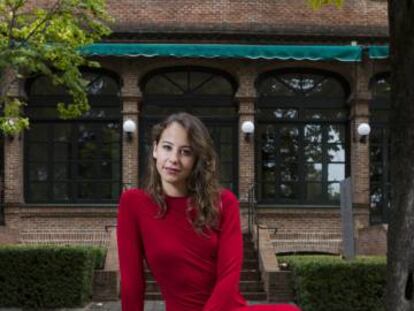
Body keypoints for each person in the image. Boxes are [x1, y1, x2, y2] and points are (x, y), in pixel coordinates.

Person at [117, 112, 301, 311]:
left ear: (197, 159)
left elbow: (229, 276)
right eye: (167, 147)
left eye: (185, 152)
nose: (173, 159)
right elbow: (131, 283)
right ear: (155, 149)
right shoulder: (133, 203)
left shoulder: (223, 202)